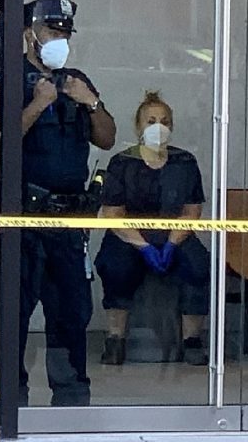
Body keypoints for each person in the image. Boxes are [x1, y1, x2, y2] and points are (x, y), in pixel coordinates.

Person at [19, 0, 117, 407]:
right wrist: (38, 104)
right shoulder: (13, 78)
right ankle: (13, 403)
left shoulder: (77, 80)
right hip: (25, 222)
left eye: (64, 32)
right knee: (16, 315)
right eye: (51, 30)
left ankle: (71, 402)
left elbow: (107, 138)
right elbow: (1, 143)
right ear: (30, 34)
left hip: (69, 223)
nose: (59, 39)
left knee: (70, 316)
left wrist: (89, 102)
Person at [93, 91, 210, 366]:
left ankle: (192, 340)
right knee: (115, 266)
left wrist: (171, 243)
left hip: (174, 234)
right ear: (139, 127)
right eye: (151, 121)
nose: (159, 127)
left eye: (164, 121)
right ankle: (115, 338)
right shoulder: (122, 163)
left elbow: (192, 211)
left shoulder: (185, 162)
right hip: (129, 235)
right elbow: (113, 214)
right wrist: (143, 246)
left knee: (199, 265)